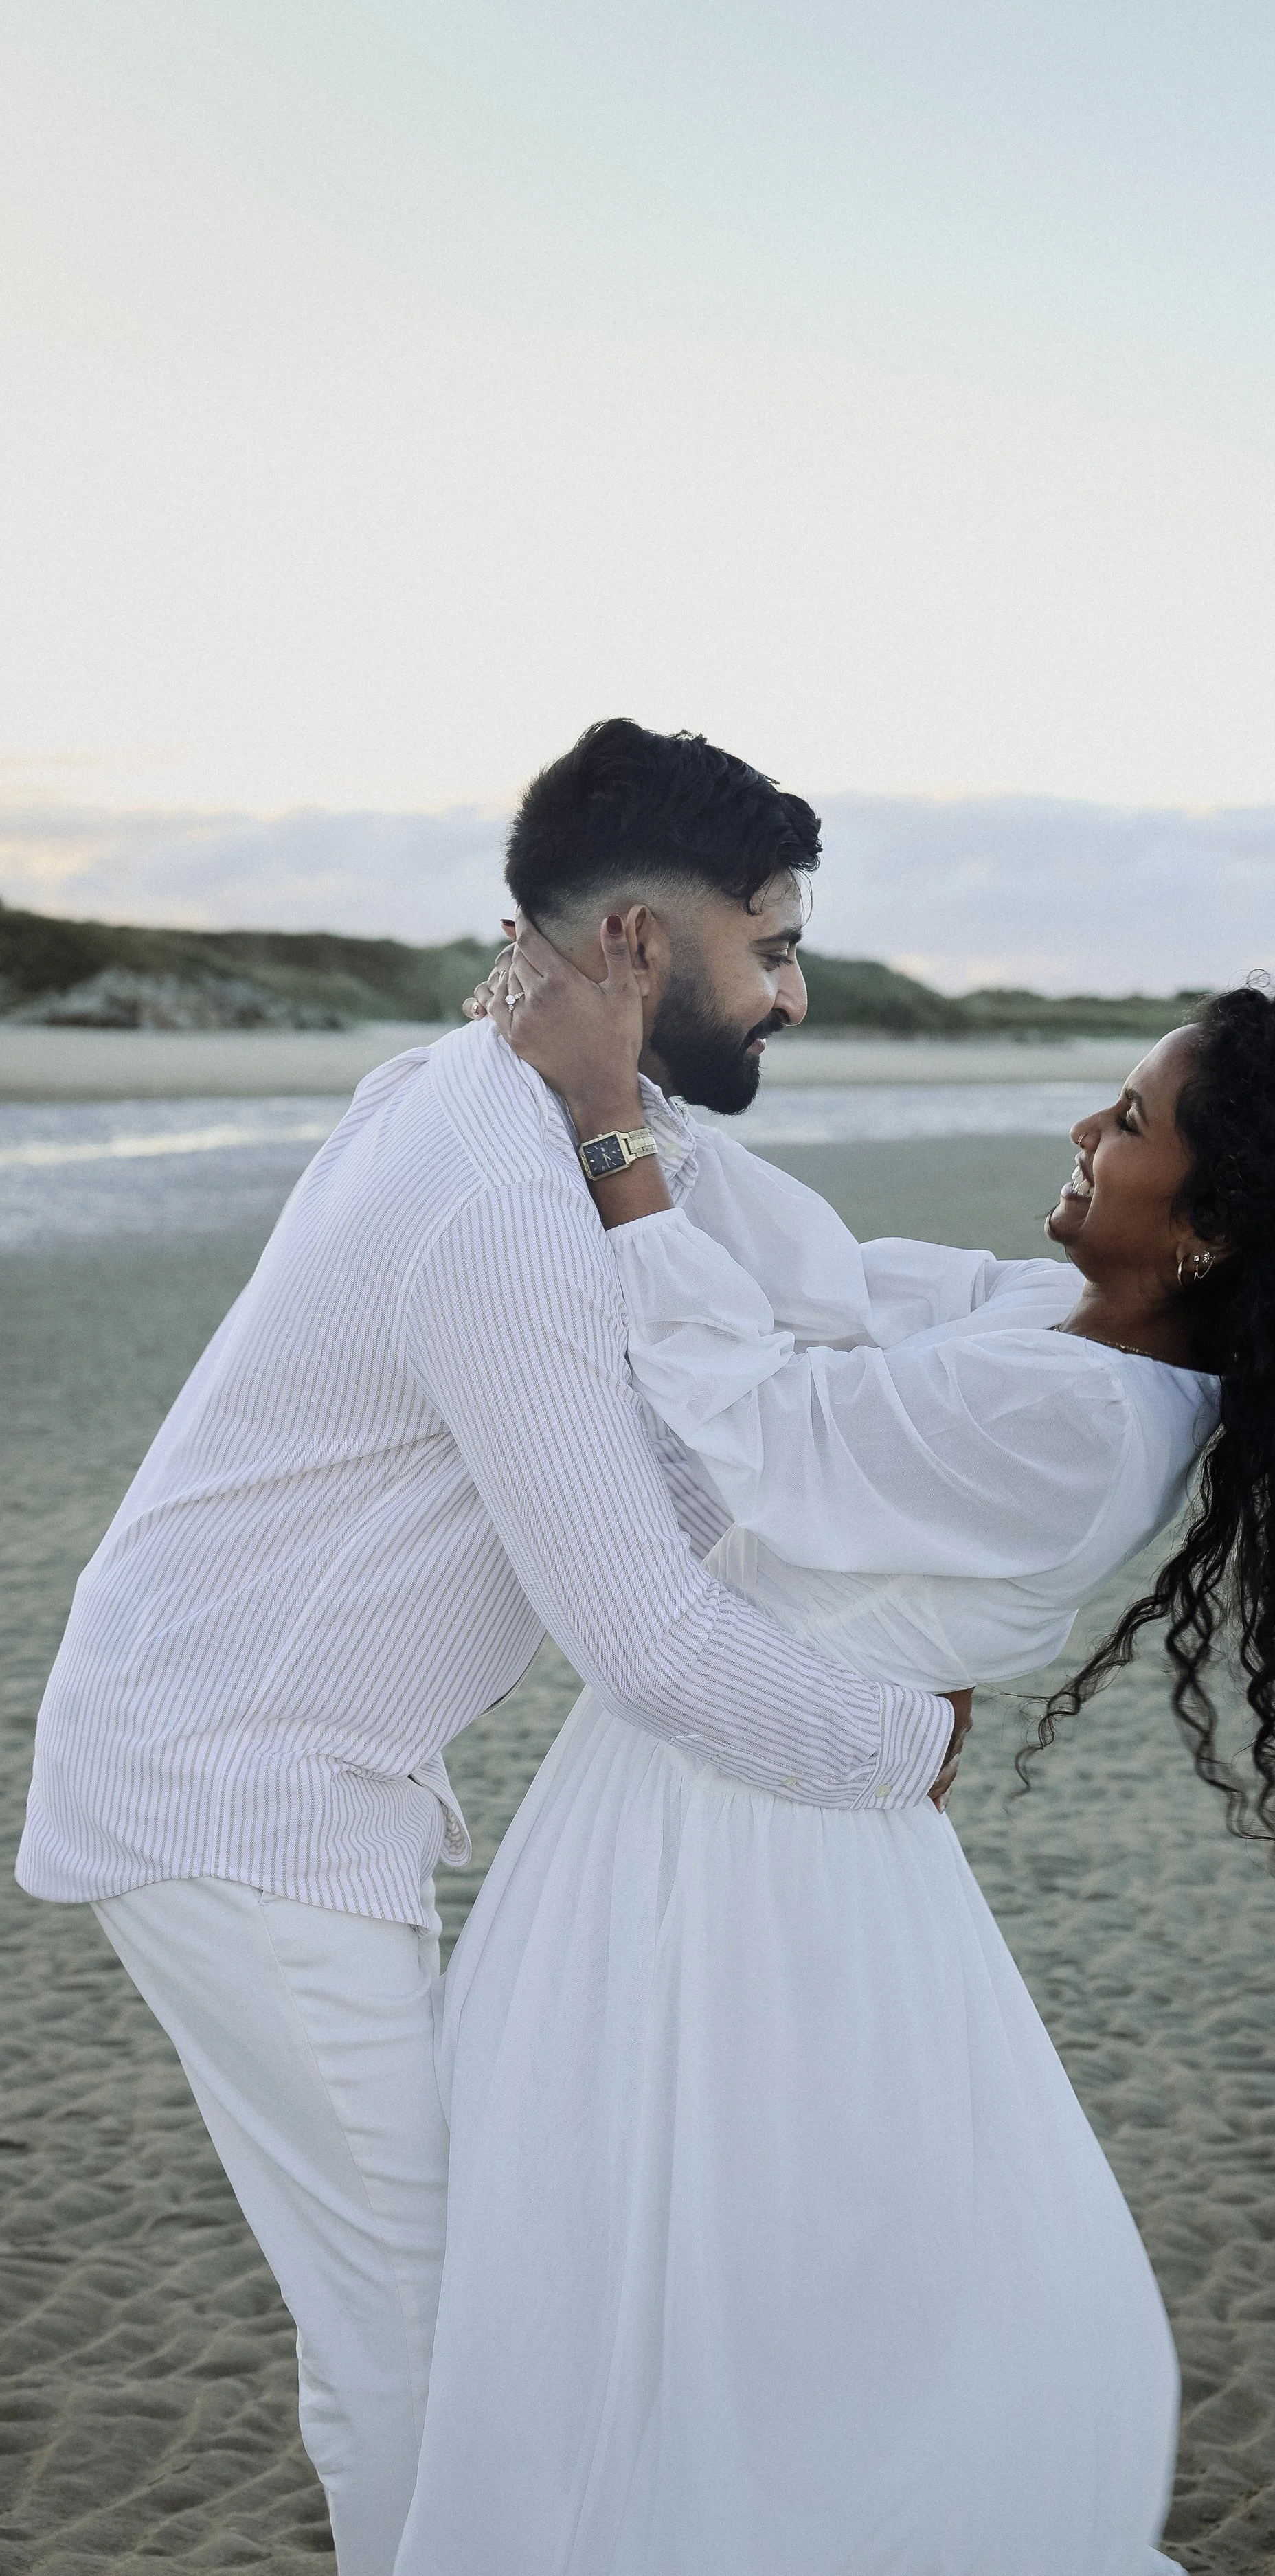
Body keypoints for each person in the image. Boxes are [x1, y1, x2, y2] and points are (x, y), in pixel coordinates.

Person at [396, 932, 1275, 2576]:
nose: (1087, 1136)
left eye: (1129, 1121)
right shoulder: (1070, 1326)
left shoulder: (1086, 1418)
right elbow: (835, 1281)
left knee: (727, 2269)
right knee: (634, 2237)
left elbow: (767, 1423)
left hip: (758, 1854)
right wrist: (639, 1087)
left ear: (1209, 1226)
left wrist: (606, 1131)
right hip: (713, 1798)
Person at [13, 721, 968, 2576]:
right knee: (428, 2330)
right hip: (231, 1790)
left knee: (454, 2295)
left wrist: (1074, 1320)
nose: (790, 990)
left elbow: (784, 1281)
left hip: (303, 1770)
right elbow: (644, 1634)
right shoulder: (496, 1191)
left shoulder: (540, 1099)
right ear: (629, 940)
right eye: (766, 944)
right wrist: (894, 1736)